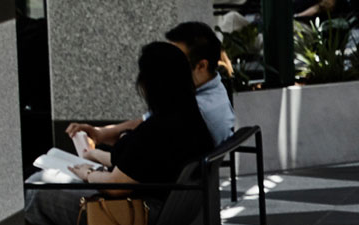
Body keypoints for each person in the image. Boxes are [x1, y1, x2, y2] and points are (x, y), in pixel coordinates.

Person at [26, 42, 213, 225]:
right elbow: (134, 163)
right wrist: (92, 154)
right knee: (43, 183)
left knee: (36, 187)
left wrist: (88, 174)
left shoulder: (158, 129)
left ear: (150, 84)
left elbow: (117, 185)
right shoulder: (191, 122)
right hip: (168, 215)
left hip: (136, 219)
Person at [68, 21, 235, 152]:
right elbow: (147, 122)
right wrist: (100, 134)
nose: (166, 66)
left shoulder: (193, 112)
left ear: (201, 66)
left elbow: (125, 177)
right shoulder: (209, 91)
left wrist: (93, 166)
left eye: (175, 61)